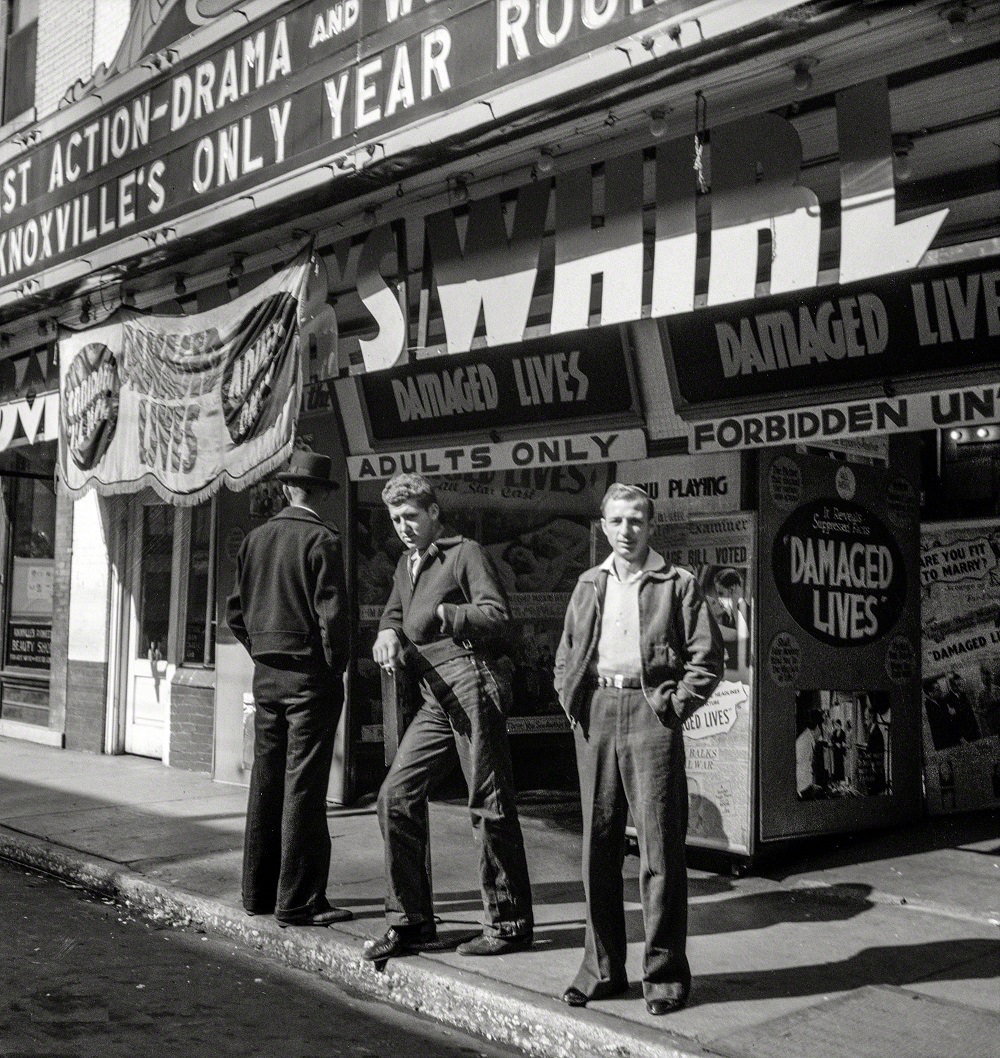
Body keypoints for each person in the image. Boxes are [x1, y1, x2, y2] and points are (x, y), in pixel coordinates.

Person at [553, 483, 723, 1016]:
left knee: (659, 852)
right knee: (598, 849)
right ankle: (602, 971)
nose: (626, 530)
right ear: (603, 525)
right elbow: (567, 651)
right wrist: (570, 698)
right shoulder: (588, 583)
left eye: (636, 521)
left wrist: (673, 706)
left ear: (650, 527)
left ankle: (665, 977)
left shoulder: (678, 584)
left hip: (652, 716)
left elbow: (707, 658)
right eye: (617, 521)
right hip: (598, 713)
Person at [365, 473, 533, 961]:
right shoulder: (405, 564)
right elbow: (396, 614)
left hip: (471, 680)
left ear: (434, 513)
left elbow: (499, 616)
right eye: (396, 519)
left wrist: (448, 613)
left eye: (411, 516)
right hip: (435, 695)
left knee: (488, 801)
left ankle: (509, 922)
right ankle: (411, 921)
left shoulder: (464, 552)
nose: (403, 526)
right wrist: (387, 632)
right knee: (395, 797)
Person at [226, 450, 351, 928]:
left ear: (285, 489)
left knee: (266, 780)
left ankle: (256, 892)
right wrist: (333, 666)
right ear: (320, 493)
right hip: (309, 680)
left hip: (268, 677)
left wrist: (262, 649)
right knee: (304, 786)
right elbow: (333, 618)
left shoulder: (256, 540)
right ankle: (297, 900)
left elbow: (235, 613)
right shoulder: (323, 539)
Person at [796, 710, 825, 799]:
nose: (822, 731)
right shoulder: (804, 742)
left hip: (806, 785)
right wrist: (810, 787)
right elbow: (801, 768)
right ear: (817, 727)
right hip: (803, 788)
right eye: (821, 727)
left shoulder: (808, 738)